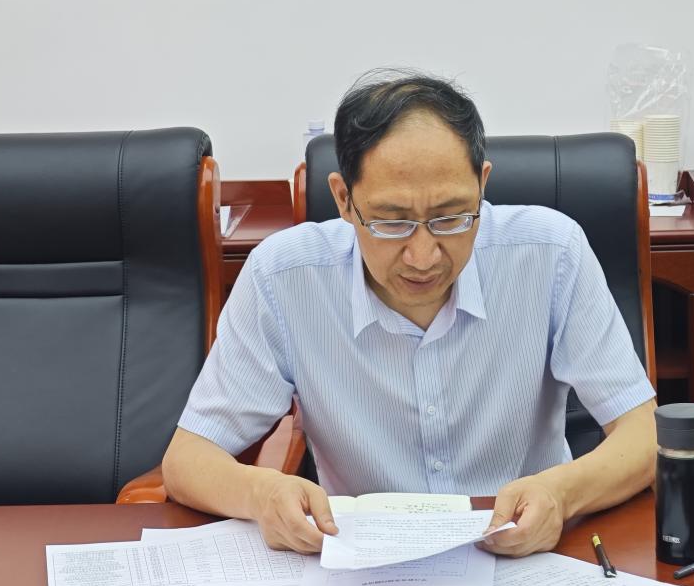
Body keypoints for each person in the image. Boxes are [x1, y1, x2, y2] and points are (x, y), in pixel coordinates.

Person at [162, 70, 657, 557]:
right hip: (366, 573)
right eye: (392, 222)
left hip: (524, 557)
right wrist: (262, 493)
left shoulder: (551, 253)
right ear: (343, 199)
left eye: (450, 217)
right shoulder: (284, 277)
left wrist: (561, 494)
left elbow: (644, 433)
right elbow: (188, 459)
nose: (424, 257)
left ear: (482, 184)